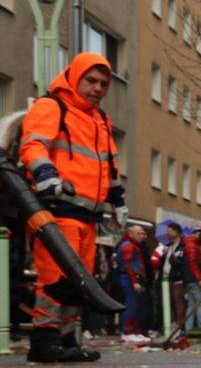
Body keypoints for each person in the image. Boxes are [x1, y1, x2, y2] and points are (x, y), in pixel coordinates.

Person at [18, 53, 129, 363]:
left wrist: (118, 202)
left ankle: (66, 340)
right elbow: (33, 144)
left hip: (88, 215)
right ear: (74, 77)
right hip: (56, 210)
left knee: (79, 283)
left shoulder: (101, 120)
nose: (97, 88)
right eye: (90, 81)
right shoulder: (52, 106)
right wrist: (45, 174)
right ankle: (44, 340)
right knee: (55, 278)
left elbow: (109, 166)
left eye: (103, 84)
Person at [115, 225, 150, 343]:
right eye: (139, 233)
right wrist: (135, 281)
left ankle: (135, 331)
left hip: (134, 278)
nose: (142, 235)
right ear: (131, 234)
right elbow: (127, 264)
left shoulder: (133, 245)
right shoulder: (128, 245)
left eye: (142, 233)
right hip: (130, 278)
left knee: (137, 306)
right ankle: (127, 332)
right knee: (131, 305)